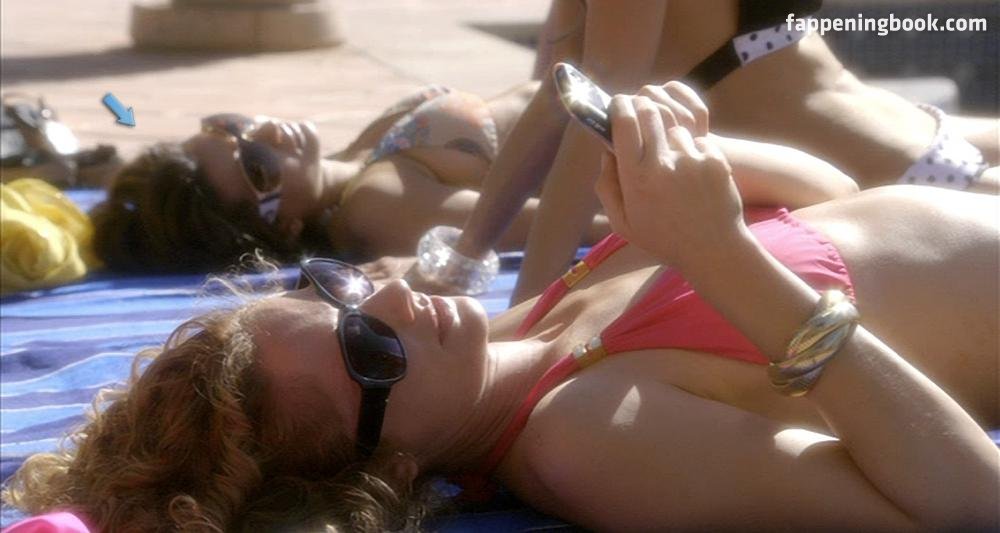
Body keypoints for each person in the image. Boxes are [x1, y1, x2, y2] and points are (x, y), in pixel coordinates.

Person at [4, 93, 998, 532]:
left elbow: (837, 200)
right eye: (369, 345)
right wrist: (717, 254)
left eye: (332, 287)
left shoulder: (523, 328)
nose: (388, 293)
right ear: (388, 468)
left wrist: (686, 158)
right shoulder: (584, 441)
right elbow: (959, 500)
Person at [431, 0, 999, 303]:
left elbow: (595, 104)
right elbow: (566, 92)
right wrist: (462, 260)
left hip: (900, 178)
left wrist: (529, 307)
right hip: (894, 153)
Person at [89, 82, 612, 273]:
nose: (264, 129)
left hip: (615, 82)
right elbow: (581, 225)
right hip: (641, 114)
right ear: (284, 227)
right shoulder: (377, 209)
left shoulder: (353, 162)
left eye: (230, 127)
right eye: (258, 165)